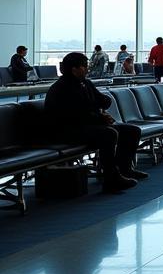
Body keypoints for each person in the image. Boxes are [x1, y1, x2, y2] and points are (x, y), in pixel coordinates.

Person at [44, 51, 143, 192]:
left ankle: (125, 170)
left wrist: (100, 109)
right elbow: (72, 116)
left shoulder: (84, 83)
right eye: (84, 66)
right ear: (74, 69)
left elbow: (104, 100)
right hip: (67, 131)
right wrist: (100, 116)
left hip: (85, 126)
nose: (87, 69)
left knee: (132, 131)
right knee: (109, 134)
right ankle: (111, 179)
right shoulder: (61, 89)